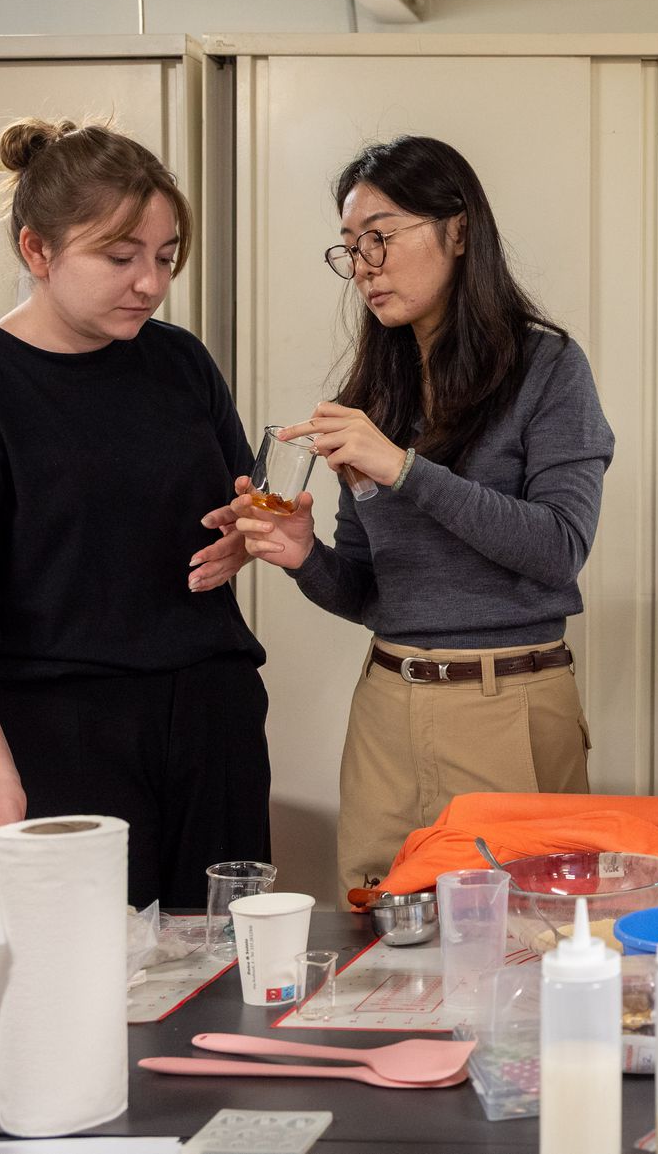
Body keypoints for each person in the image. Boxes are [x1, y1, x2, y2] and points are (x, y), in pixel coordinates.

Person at [0, 119, 269, 910]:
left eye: (165, 256)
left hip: (210, 721)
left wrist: (246, 535)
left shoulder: (180, 362)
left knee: (223, 962)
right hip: (52, 739)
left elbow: (231, 502)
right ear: (38, 251)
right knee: (77, 972)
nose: (149, 283)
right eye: (119, 258)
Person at [235, 135, 614, 898]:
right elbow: (372, 591)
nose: (364, 265)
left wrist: (405, 470)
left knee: (519, 936)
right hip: (388, 706)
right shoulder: (375, 389)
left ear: (458, 230)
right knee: (374, 921)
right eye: (350, 247)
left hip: (508, 703)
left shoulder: (547, 368)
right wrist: (305, 557)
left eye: (380, 236)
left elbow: (558, 547)